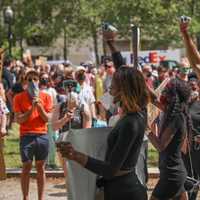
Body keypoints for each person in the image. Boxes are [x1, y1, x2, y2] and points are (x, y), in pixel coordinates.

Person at [58, 66, 149, 200]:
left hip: (124, 192)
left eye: (113, 84)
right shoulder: (137, 115)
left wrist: (75, 155)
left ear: (124, 88)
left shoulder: (131, 122)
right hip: (121, 188)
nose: (109, 88)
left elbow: (110, 170)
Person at [13, 70, 53, 200]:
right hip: (26, 136)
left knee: (41, 167)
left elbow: (47, 119)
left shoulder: (46, 97)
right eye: (29, 80)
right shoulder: (18, 97)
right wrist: (31, 109)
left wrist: (39, 106)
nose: (32, 82)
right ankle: (25, 197)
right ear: (25, 81)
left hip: (42, 135)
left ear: (39, 81)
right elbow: (19, 119)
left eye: (35, 79)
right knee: (26, 166)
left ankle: (40, 198)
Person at [148, 78, 190, 200]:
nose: (162, 94)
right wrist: (140, 81)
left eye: (166, 91)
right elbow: (153, 99)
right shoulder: (172, 113)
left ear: (173, 97)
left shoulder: (177, 118)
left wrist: (146, 129)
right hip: (174, 173)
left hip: (172, 175)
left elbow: (160, 146)